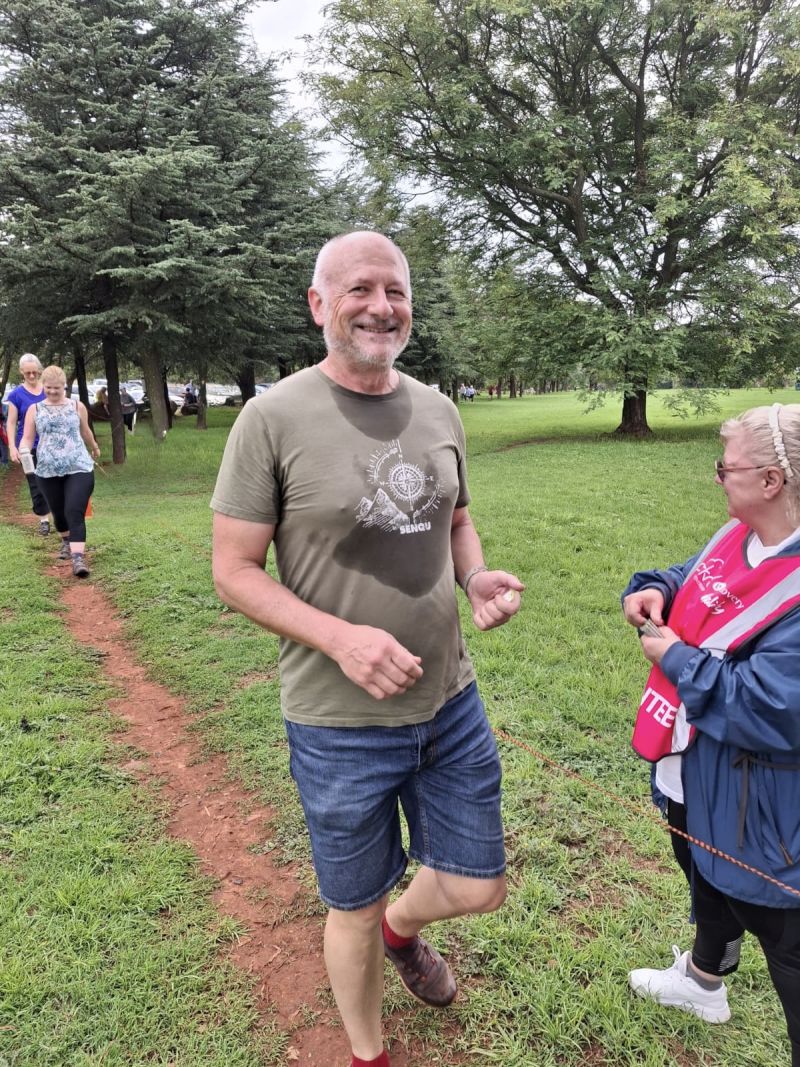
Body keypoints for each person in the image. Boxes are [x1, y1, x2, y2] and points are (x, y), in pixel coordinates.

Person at [211, 231, 524, 1067]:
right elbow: (234, 571)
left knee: (479, 883)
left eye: (395, 289)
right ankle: (366, 1053)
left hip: (449, 701)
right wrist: (337, 635)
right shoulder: (270, 419)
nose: (380, 305)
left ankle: (404, 926)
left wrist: (478, 576)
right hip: (338, 721)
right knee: (350, 903)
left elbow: (455, 517)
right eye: (358, 289)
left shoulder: (437, 407)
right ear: (319, 306)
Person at [622, 403, 800, 1066]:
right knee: (706, 879)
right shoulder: (741, 532)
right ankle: (703, 982)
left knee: (789, 953)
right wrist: (649, 589)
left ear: (772, 481)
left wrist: (674, 657)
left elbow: (770, 708)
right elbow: (693, 576)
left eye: (725, 467)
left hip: (768, 814)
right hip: (694, 774)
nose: (717, 477)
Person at [20, 365, 100, 578]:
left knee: (74, 510)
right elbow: (28, 437)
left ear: (64, 386)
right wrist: (23, 449)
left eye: (57, 388)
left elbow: (85, 430)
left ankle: (78, 558)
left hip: (79, 466)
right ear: (43, 386)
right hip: (47, 470)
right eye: (48, 388)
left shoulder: (76, 406)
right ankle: (66, 540)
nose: (53, 392)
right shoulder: (34, 410)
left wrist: (94, 447)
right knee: (59, 514)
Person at [6, 353, 52, 534]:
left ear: (40, 370)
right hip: (27, 446)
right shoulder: (16, 394)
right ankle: (44, 520)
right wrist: (12, 447)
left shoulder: (49, 389)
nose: (32, 376)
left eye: (35, 372)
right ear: (21, 373)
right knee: (36, 483)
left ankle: (62, 515)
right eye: (27, 373)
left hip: (51, 444)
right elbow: (11, 422)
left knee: (54, 480)